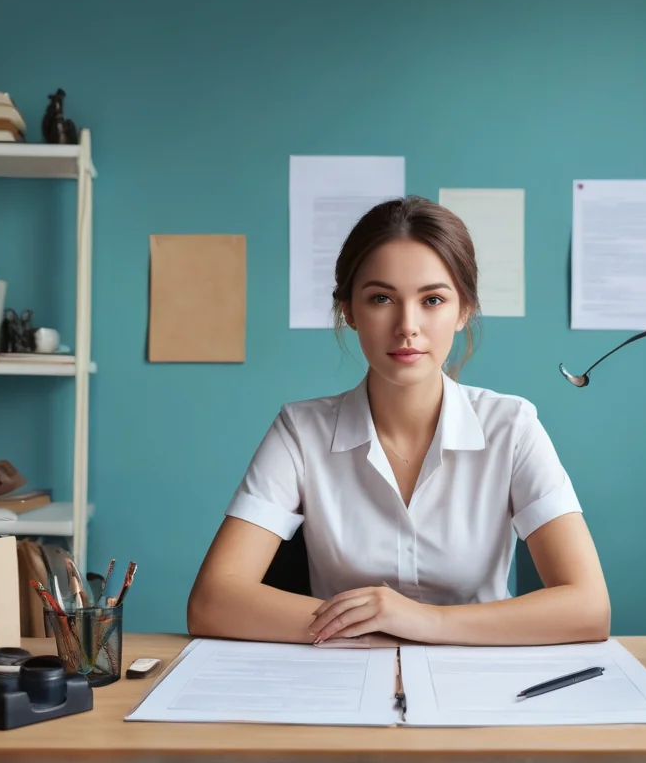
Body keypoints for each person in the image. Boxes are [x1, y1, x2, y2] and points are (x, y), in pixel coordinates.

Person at [188, 195, 610, 647]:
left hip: (480, 683)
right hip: (341, 682)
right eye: (381, 298)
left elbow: (588, 608)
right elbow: (213, 602)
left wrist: (422, 621)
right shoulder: (300, 430)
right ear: (349, 310)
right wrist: (379, 622)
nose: (407, 325)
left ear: (464, 309)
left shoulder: (512, 426)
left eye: (432, 299)